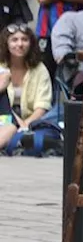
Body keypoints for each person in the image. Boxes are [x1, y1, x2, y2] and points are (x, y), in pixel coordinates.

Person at [0, 23, 53, 151]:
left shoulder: (40, 69)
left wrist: (25, 124)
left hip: (29, 121)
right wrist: (2, 85)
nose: (20, 44)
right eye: (14, 40)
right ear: (6, 43)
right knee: (10, 127)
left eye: (24, 39)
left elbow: (43, 105)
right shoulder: (1, 66)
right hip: (4, 117)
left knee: (13, 129)